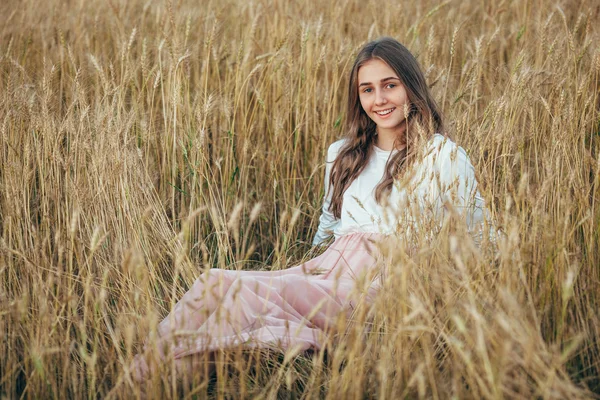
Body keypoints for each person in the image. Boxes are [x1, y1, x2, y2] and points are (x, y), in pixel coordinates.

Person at [129, 37, 492, 383]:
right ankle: (151, 372)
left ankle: (145, 379)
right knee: (215, 282)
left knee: (241, 297)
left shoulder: (442, 156)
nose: (379, 99)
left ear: (411, 87)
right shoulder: (343, 153)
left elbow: (478, 235)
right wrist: (307, 272)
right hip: (330, 272)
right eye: (367, 89)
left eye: (390, 85)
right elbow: (328, 227)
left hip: (387, 288)